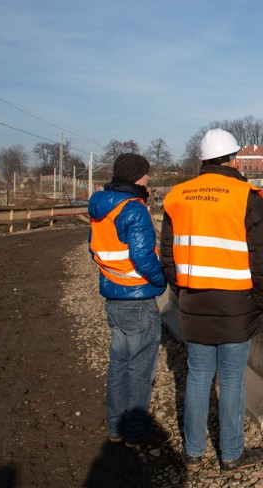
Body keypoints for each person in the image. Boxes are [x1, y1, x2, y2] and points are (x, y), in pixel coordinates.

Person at [160, 128, 263, 472]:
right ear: (234, 158)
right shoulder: (245, 195)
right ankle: (232, 454)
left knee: (197, 376)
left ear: (203, 160)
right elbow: (262, 257)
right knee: (231, 378)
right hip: (236, 303)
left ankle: (193, 453)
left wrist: (182, 292)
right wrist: (262, 302)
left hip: (195, 300)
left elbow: (168, 254)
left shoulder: (178, 196)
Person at [88, 153, 170, 447]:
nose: (149, 179)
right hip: (138, 298)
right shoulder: (134, 209)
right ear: (137, 176)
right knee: (140, 367)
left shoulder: (101, 206)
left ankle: (116, 427)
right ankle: (136, 432)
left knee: (119, 363)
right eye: (146, 175)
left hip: (114, 297)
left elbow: (94, 248)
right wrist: (160, 281)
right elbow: (143, 258)